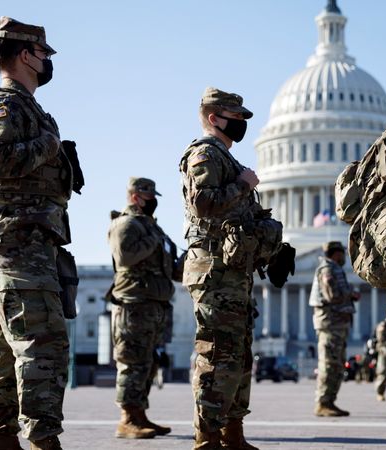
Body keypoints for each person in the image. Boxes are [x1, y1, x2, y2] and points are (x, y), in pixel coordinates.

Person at [0, 16, 81, 450]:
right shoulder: (8, 104)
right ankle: (42, 442)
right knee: (44, 345)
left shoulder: (25, 106)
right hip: (18, 241)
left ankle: (3, 440)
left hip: (23, 241)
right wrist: (51, 145)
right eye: (43, 53)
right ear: (24, 55)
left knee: (5, 349)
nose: (48, 61)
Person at [180, 87, 274, 450]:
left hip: (233, 270)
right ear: (213, 117)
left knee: (238, 354)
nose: (240, 124)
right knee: (217, 353)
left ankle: (233, 432)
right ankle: (206, 437)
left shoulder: (226, 157)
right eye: (235, 118)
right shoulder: (205, 154)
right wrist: (243, 185)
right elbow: (203, 204)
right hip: (215, 270)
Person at [108, 177, 178, 439]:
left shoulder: (151, 227)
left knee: (148, 363)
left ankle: (139, 414)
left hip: (154, 305)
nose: (153, 201)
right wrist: (153, 239)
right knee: (131, 362)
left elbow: (168, 266)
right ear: (135, 197)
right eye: (149, 197)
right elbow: (125, 256)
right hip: (133, 304)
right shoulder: (126, 224)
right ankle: (127, 419)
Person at [309, 241, 360, 417]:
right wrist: (350, 294)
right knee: (329, 365)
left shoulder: (333, 268)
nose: (345, 257)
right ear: (335, 253)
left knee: (337, 365)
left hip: (337, 324)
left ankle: (329, 401)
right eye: (342, 253)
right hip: (330, 324)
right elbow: (331, 295)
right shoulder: (327, 269)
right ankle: (323, 403)